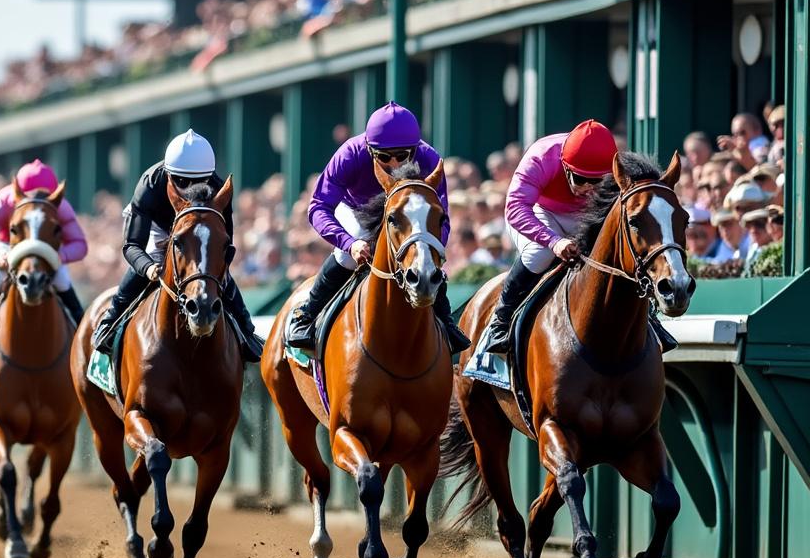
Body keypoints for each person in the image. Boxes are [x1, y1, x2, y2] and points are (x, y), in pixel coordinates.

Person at [287, 101, 471, 352]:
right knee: (353, 247)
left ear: (414, 150)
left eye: (402, 156)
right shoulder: (349, 154)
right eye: (384, 157)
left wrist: (434, 248)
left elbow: (442, 217)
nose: (394, 164)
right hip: (355, 209)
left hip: (404, 214)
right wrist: (349, 244)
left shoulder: (429, 159)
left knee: (425, 252)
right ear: (370, 151)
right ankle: (307, 315)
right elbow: (318, 206)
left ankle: (446, 322)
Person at [485, 119, 677, 353]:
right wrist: (554, 242)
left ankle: (650, 319)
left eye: (597, 181)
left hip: (588, 215)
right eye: (580, 179)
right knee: (540, 253)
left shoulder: (619, 167)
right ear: (565, 166)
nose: (588, 188)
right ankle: (501, 320)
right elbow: (516, 208)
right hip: (542, 212)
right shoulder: (542, 156)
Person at [90, 129, 263, 362]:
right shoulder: (150, 184)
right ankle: (111, 320)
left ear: (209, 177)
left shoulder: (220, 190)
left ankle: (246, 330)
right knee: (150, 258)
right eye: (183, 181)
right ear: (171, 176)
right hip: (158, 227)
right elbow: (132, 245)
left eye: (199, 181)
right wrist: (150, 268)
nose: (191, 188)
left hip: (198, 229)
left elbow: (225, 245)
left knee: (212, 270)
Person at [0, 160, 88, 362]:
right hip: (9, 249)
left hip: (48, 253)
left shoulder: (59, 205)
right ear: (19, 193)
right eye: (32, 195)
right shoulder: (5, 200)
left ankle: (86, 342)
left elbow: (80, 244)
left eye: (43, 196)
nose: (37, 200)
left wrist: (60, 257)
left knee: (62, 279)